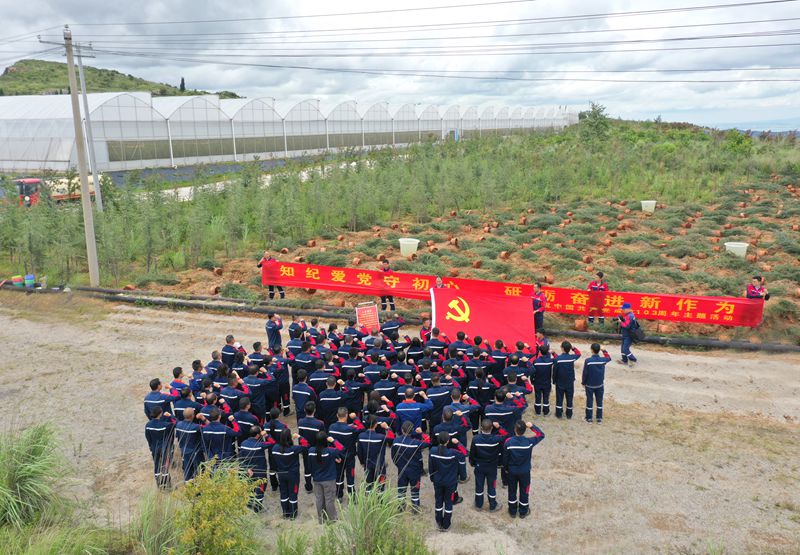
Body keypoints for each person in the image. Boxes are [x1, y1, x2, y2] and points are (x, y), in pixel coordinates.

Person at [503, 420, 545, 519]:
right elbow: (541, 435)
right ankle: (523, 511)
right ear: (524, 431)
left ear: (514, 430)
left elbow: (505, 458)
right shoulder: (529, 442)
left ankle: (512, 511)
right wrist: (532, 426)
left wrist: (506, 469)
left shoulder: (508, 442)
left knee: (512, 491)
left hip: (512, 472)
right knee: (524, 491)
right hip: (525, 472)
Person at [429, 431, 467, 532]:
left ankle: (439, 522)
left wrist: (432, 478)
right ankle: (446, 524)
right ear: (448, 441)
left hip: (437, 481)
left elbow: (430, 467)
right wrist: (458, 443)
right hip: (450, 483)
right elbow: (465, 453)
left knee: (438, 501)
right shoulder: (453, 453)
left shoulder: (433, 451)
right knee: (448, 502)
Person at [391, 421, 431, 512]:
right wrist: (421, 433)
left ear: (402, 430)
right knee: (415, 490)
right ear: (412, 431)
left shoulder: (396, 441)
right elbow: (428, 442)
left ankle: (401, 507)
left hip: (402, 470)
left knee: (401, 489)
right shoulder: (416, 443)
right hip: (414, 471)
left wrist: (398, 465)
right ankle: (415, 508)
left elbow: (393, 456)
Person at [269, 428, 308, 519]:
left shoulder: (274, 448)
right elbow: (306, 445)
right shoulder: (293, 449)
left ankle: (285, 513)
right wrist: (299, 437)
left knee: (283, 493)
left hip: (281, 474)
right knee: (293, 493)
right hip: (293, 475)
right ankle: (293, 514)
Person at [308, 431, 345, 524]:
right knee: (329, 499)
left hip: (317, 479)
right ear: (325, 440)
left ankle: (321, 519)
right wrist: (333, 440)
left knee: (319, 499)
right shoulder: (330, 451)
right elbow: (341, 448)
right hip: (329, 479)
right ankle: (332, 518)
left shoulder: (311, 451)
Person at [469, 418, 506, 512]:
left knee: (479, 485)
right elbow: (506, 435)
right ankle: (493, 505)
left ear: (481, 428)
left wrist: (472, 462)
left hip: (479, 466)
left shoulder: (476, 439)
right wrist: (499, 427)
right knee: (491, 486)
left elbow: (472, 453)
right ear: (491, 428)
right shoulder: (496, 439)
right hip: (492, 467)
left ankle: (478, 504)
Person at [328, 407, 365, 498]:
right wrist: (355, 418)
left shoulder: (331, 427)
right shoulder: (350, 429)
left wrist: (334, 457)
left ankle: (339, 495)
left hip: (338, 457)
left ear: (337, 415)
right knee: (350, 477)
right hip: (349, 457)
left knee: (338, 477)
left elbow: (330, 444)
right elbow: (362, 429)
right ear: (346, 416)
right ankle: (352, 497)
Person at [238, 426, 274, 512]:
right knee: (260, 489)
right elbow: (272, 443)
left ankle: (249, 504)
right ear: (258, 435)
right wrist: (266, 435)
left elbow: (241, 458)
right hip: (260, 471)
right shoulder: (260, 445)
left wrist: (246, 468)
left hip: (248, 471)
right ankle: (258, 508)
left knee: (250, 487)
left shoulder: (243, 443)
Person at [357, 415, 395, 491]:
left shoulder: (361, 436)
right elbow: (392, 438)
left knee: (369, 483)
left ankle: (369, 499)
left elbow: (359, 451)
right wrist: (387, 428)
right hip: (380, 465)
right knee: (381, 485)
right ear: (375, 424)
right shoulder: (380, 437)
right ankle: (380, 501)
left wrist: (362, 462)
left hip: (367, 463)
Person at [296, 401, 325, 493]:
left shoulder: (300, 421)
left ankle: (308, 486)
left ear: (304, 410)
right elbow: (322, 437)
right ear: (314, 410)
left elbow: (300, 435)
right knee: (318, 466)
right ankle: (318, 485)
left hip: (305, 448)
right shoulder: (319, 424)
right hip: (317, 448)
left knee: (307, 467)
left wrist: (301, 446)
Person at [144, 406, 176, 489]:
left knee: (157, 465)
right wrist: (170, 416)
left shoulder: (148, 425)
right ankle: (167, 485)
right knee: (165, 466)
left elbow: (148, 438)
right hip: (164, 448)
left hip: (154, 448)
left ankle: (159, 484)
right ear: (160, 414)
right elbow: (176, 423)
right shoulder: (165, 425)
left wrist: (151, 447)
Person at [581, 343, 611, 423]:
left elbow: (585, 373)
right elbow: (609, 358)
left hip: (590, 385)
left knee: (589, 401)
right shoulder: (602, 360)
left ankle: (589, 418)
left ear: (591, 350)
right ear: (599, 351)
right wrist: (604, 351)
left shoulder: (588, 361)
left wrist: (583, 382)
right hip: (599, 384)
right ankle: (599, 419)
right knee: (599, 401)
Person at [175, 407, 205, 482]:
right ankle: (200, 488)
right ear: (193, 416)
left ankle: (189, 488)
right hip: (195, 452)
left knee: (187, 471)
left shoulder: (178, 425)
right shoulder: (196, 427)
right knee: (199, 471)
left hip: (184, 451)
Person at [553, 341, 581, 419]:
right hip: (569, 382)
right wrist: (573, 348)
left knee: (559, 398)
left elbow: (555, 371)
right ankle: (569, 414)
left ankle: (558, 414)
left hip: (560, 382)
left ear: (562, 348)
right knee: (569, 398)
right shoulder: (572, 358)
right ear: (569, 349)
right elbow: (579, 354)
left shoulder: (557, 359)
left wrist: (554, 380)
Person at [531, 345, 555, 416]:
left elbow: (533, 372)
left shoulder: (536, 361)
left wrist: (532, 380)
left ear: (540, 352)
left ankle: (538, 412)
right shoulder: (550, 361)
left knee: (538, 397)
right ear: (547, 352)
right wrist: (553, 353)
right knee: (546, 397)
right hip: (547, 382)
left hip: (537, 382)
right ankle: (546, 412)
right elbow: (557, 359)